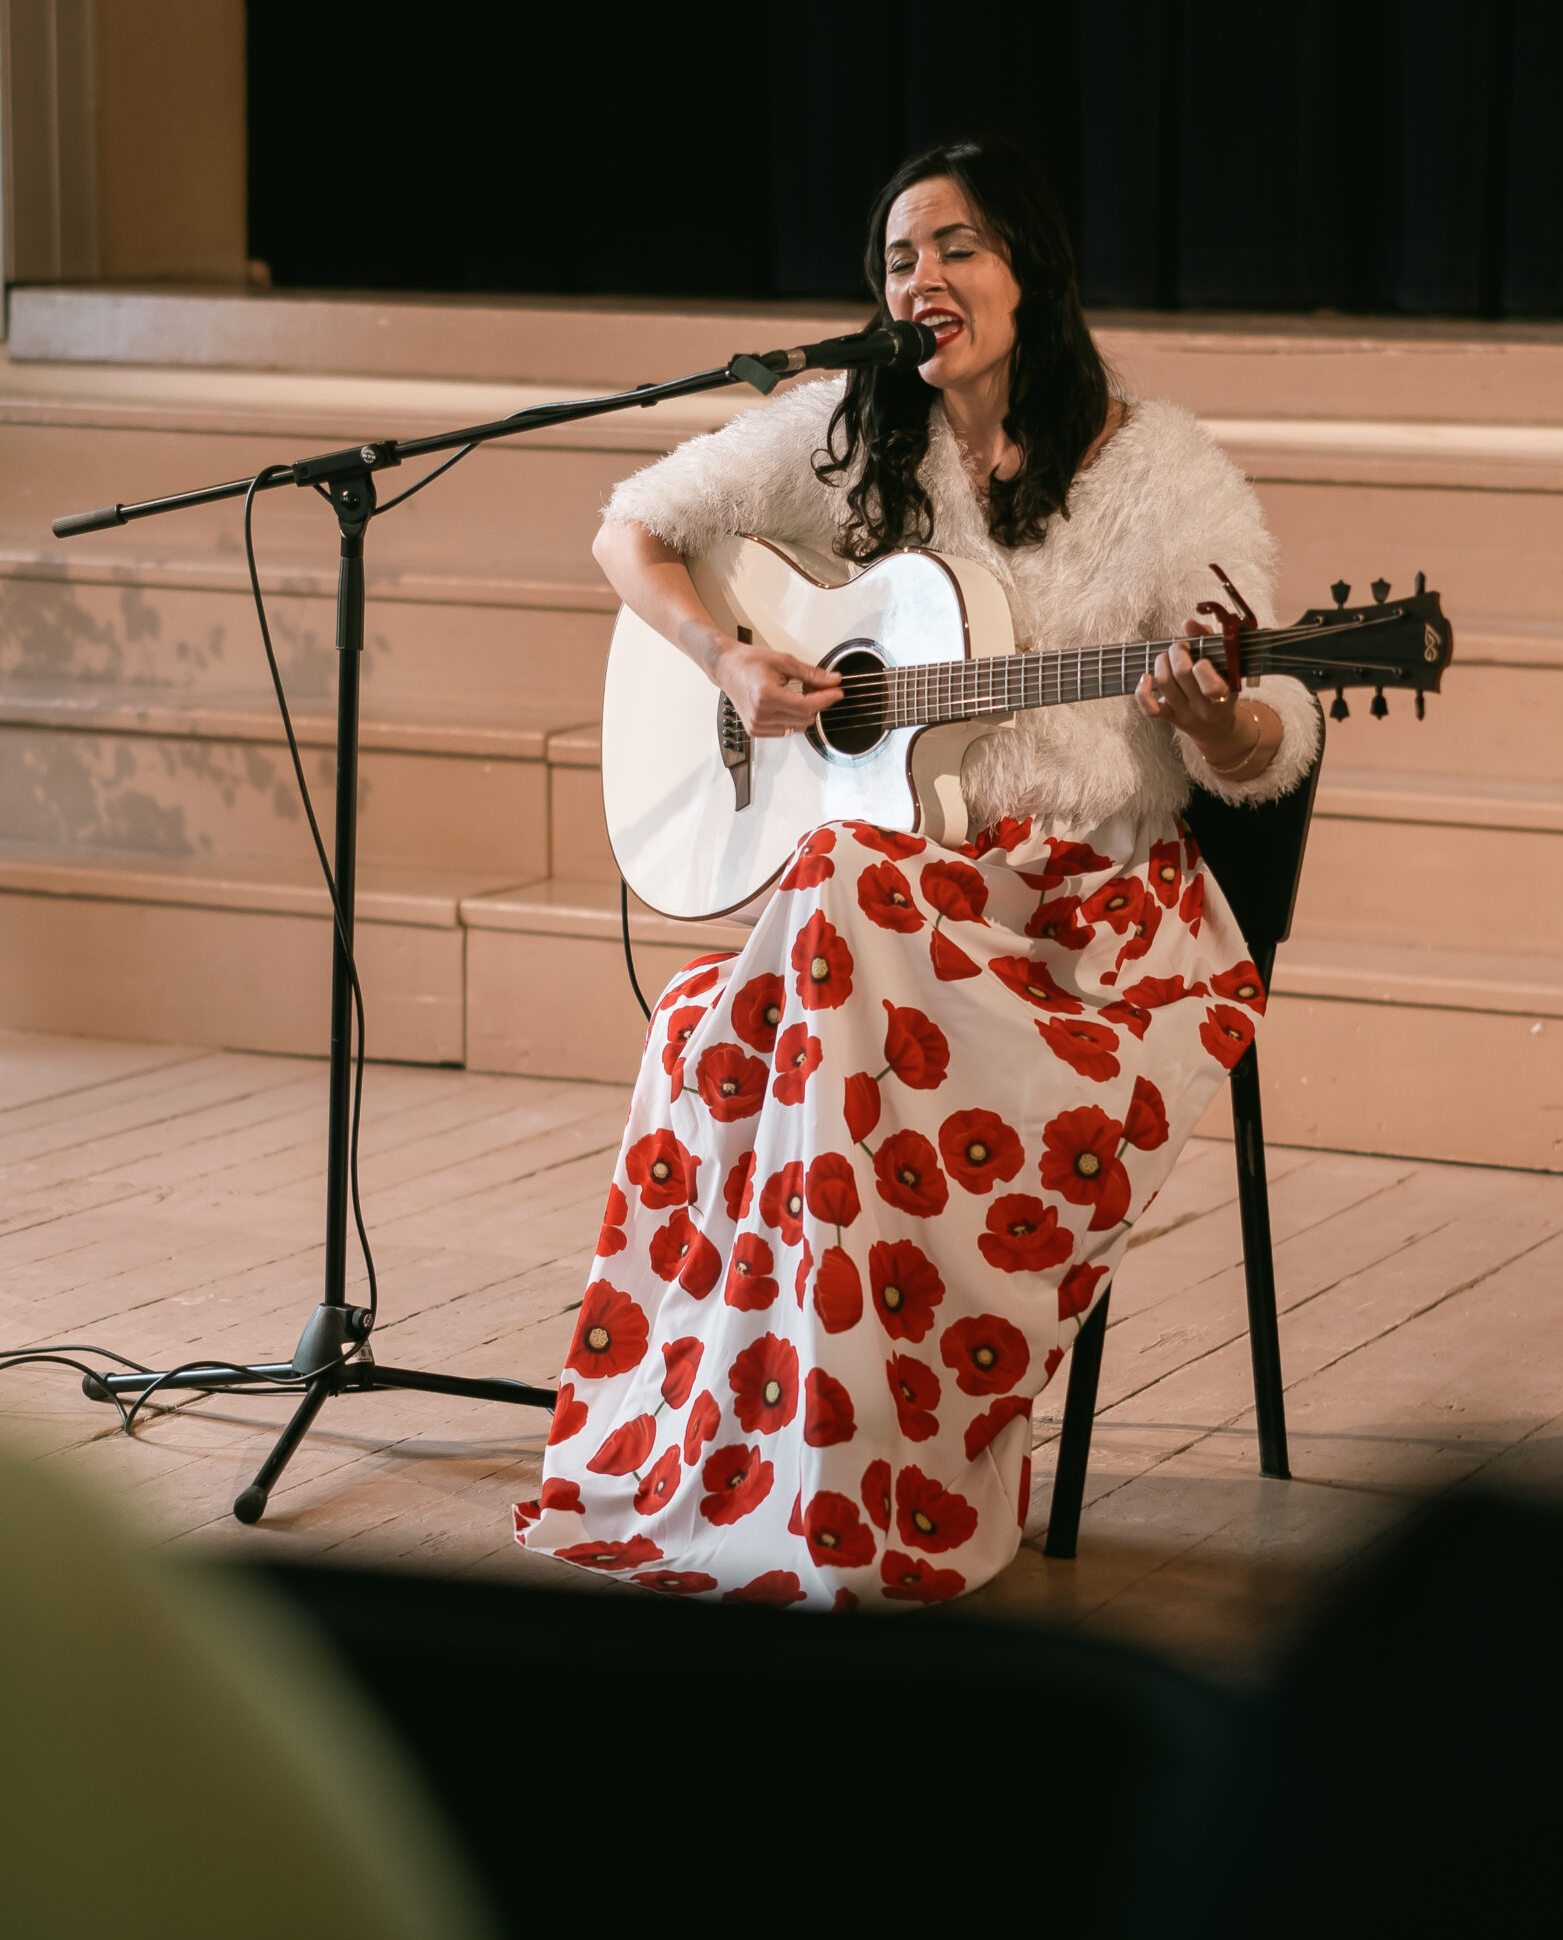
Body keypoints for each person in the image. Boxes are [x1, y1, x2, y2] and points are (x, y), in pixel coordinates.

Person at [516, 136, 1319, 1607]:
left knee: (816, 915)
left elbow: (1267, 728)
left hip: (1089, 929)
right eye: (898, 260)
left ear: (1030, 269)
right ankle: (765, 1470)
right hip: (901, 912)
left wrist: (1218, 717)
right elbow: (632, 528)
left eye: (956, 247)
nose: (923, 279)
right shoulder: (845, 428)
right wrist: (728, 657)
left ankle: (868, 1485)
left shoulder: (1161, 470)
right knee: (780, 954)